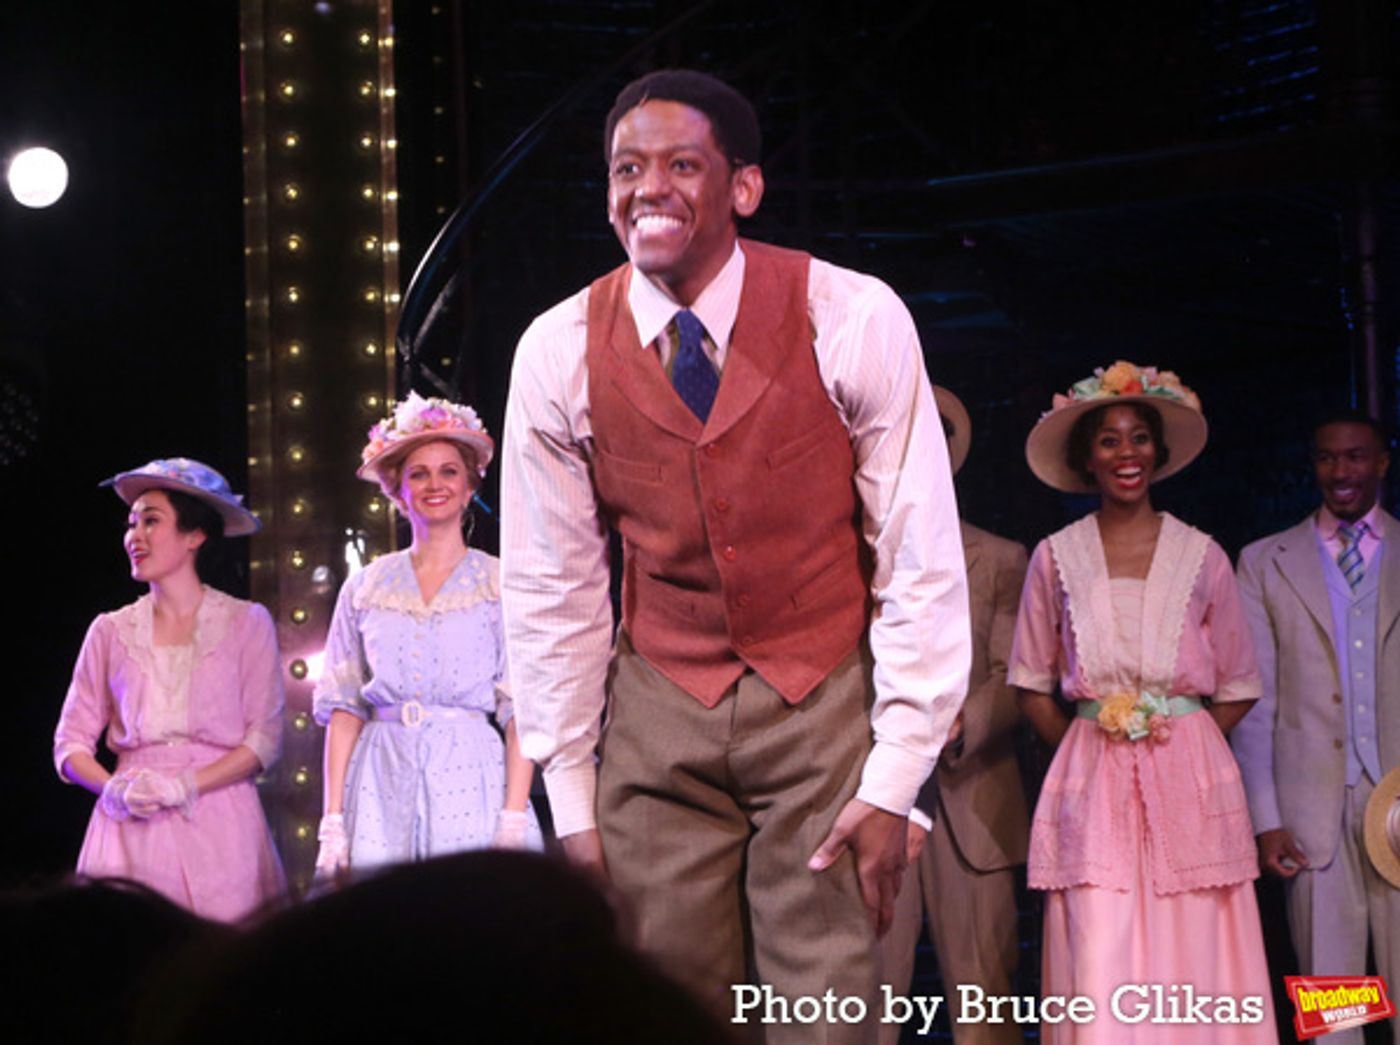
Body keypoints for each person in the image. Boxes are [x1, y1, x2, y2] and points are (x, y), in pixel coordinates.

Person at [500, 68, 969, 1037]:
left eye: (680, 164)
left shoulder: (847, 314)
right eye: (626, 169)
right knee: (661, 1007)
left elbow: (917, 553)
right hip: (656, 712)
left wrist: (894, 777)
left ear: (741, 188)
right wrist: (570, 800)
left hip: (821, 700)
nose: (647, 188)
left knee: (828, 1014)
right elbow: (554, 588)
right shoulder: (555, 350)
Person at [1008, 362, 1275, 1042]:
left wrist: (1181, 736)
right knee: (1100, 948)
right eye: (1108, 440)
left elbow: (1239, 682)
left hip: (1187, 781)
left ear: (1157, 451)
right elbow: (1030, 679)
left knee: (1197, 947)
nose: (1126, 453)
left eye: (1138, 438)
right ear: (1085, 457)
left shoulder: (1202, 554)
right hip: (1093, 785)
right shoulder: (1055, 556)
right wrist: (1084, 740)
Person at [313, 392, 541, 875]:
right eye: (419, 473)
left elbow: (522, 710)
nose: (434, 484)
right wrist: (332, 819)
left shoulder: (500, 584)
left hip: (470, 773)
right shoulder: (365, 588)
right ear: (398, 489)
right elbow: (344, 708)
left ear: (468, 486)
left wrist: (514, 814)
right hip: (380, 776)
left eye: (448, 471)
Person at [52, 457, 286, 922]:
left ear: (194, 535)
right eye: (131, 523)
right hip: (129, 825)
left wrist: (185, 785)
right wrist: (113, 788)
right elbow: (70, 743)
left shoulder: (245, 623)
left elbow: (264, 739)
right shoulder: (110, 630)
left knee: (221, 964)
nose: (134, 536)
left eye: (151, 521)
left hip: (219, 816)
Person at [1232, 409, 1398, 1045]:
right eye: (1328, 458)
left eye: (1356, 456)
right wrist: (1266, 816)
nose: (1341, 471)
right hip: (1311, 812)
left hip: (1396, 798)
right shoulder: (1266, 561)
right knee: (1336, 1002)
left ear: (1381, 463)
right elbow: (1258, 702)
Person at [878, 387, 1028, 1045]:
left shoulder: (999, 558)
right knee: (868, 998)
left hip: (970, 796)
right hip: (878, 797)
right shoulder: (854, 558)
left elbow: (1016, 674)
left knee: (983, 1001)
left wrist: (964, 719)